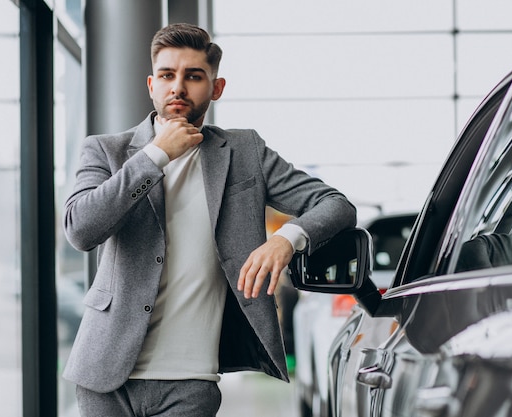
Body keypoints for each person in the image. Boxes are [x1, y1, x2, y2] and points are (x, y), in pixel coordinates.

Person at [62, 22, 357, 416]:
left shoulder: (244, 152)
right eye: (167, 75)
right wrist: (154, 156)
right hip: (106, 374)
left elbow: (336, 204)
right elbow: (81, 229)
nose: (178, 87)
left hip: (191, 380)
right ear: (152, 85)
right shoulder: (106, 151)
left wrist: (286, 239)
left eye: (193, 76)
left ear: (215, 89)